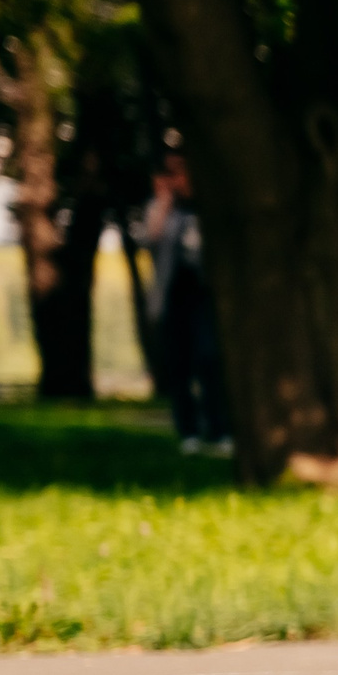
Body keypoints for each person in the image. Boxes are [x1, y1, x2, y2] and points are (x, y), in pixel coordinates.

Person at [141, 153, 232, 457]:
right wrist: (164, 199)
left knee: (210, 361)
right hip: (171, 301)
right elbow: (151, 239)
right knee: (179, 368)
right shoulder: (163, 211)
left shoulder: (207, 209)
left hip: (204, 299)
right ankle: (189, 432)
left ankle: (220, 430)